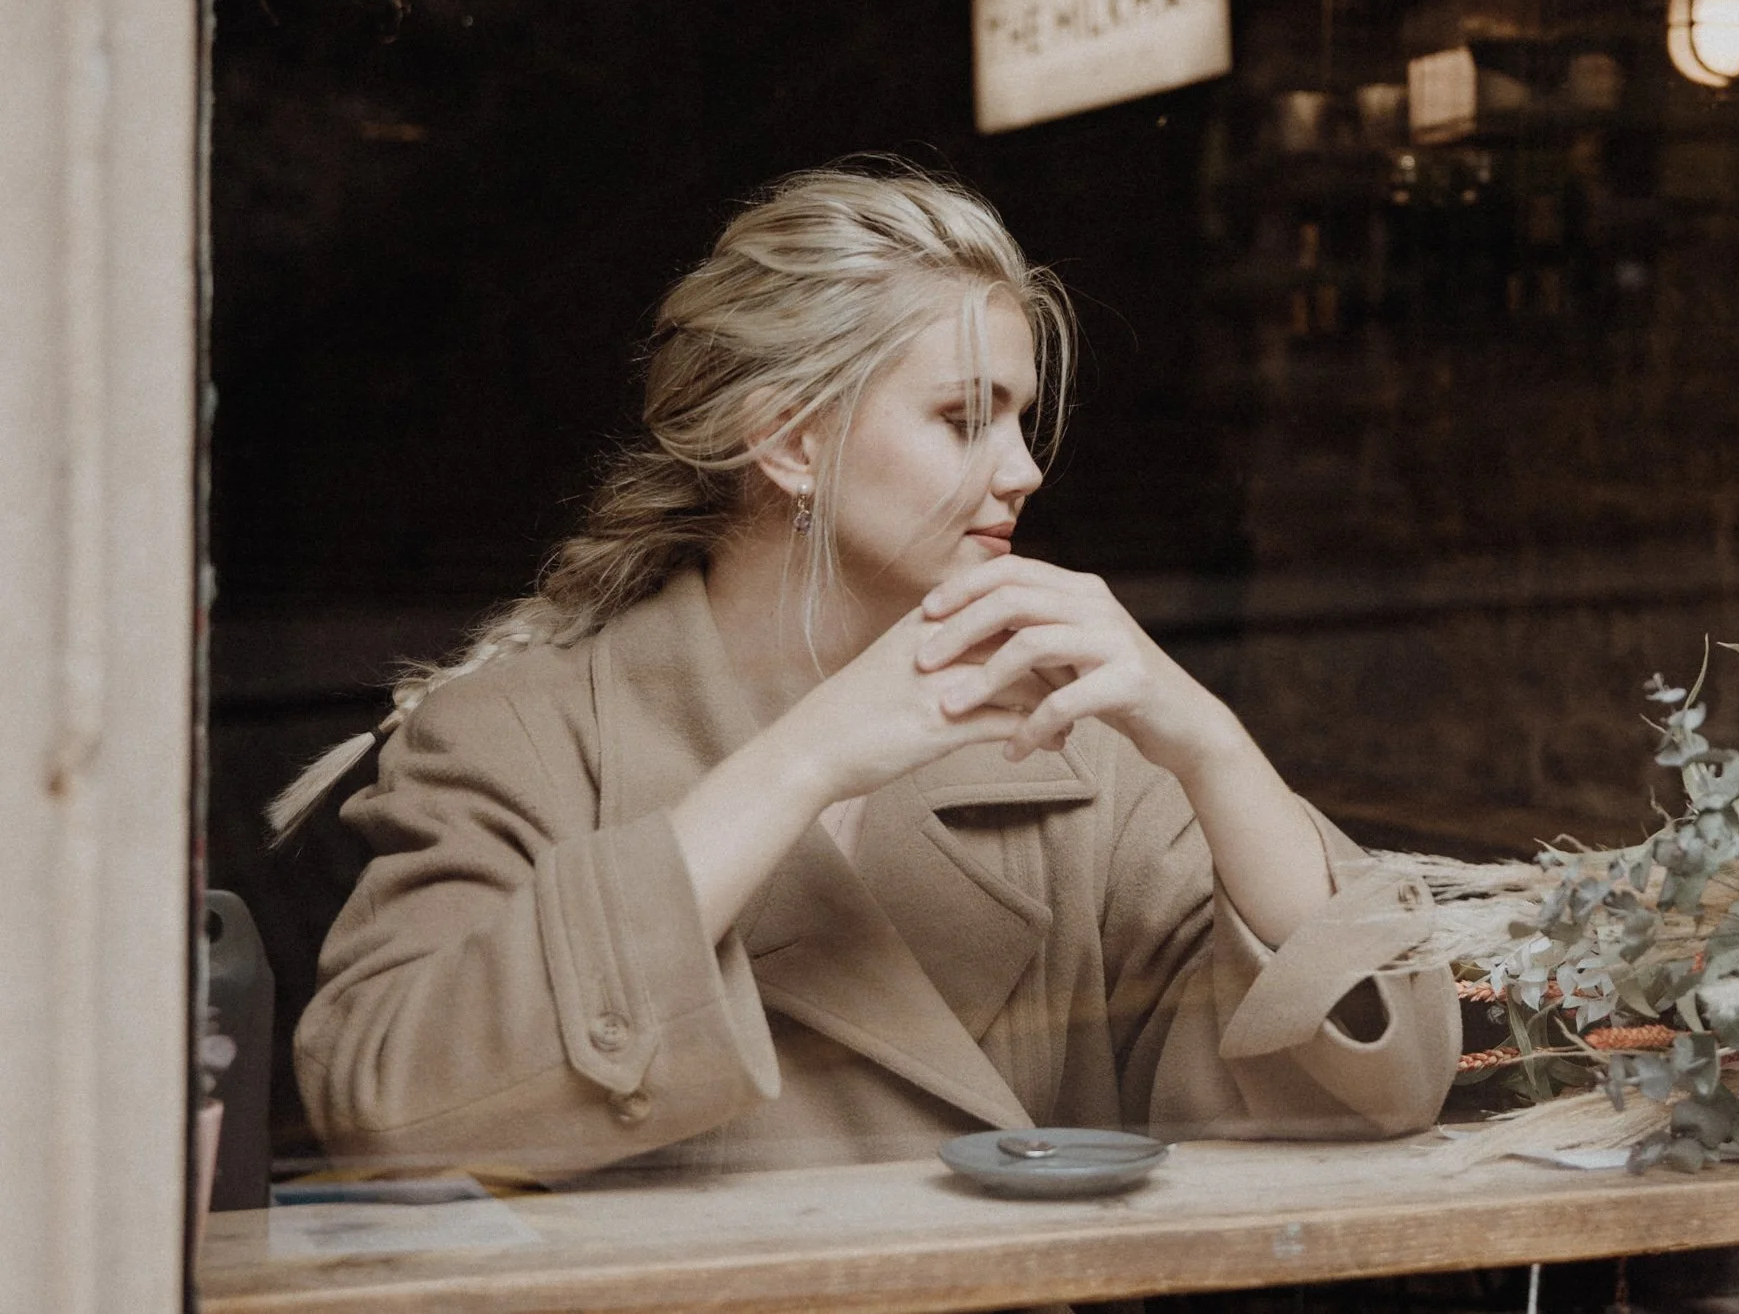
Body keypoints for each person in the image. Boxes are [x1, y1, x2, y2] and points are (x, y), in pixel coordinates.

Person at [277, 163, 1459, 1177]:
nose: (1023, 470)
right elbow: (387, 1116)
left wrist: (1207, 744)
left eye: (1022, 419)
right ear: (792, 442)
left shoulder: (1071, 753)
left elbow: (1379, 1085)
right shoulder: (517, 734)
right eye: (964, 418)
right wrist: (804, 759)